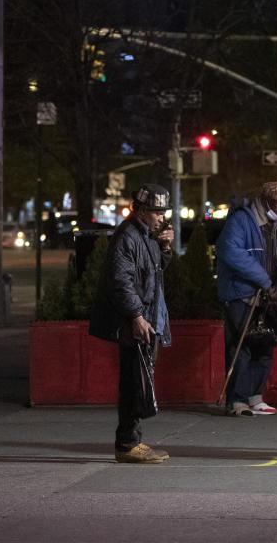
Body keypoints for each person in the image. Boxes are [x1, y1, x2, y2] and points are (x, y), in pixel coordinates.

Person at [90, 184, 174, 464]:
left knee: (139, 380)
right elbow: (121, 282)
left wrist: (165, 248)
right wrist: (136, 316)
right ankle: (128, 443)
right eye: (156, 212)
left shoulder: (146, 235)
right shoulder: (128, 236)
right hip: (136, 320)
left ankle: (132, 440)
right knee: (133, 382)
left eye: (163, 212)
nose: (161, 217)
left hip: (148, 317)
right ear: (139, 209)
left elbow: (153, 273)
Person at [215, 182, 277, 417]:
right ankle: (237, 401)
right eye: (276, 203)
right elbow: (230, 251)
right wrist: (264, 281)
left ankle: (255, 397)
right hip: (241, 295)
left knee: (265, 345)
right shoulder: (242, 220)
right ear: (263, 201)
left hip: (268, 296)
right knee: (240, 348)